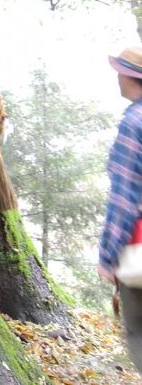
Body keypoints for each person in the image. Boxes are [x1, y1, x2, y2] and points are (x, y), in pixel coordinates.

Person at [98, 44, 142, 372]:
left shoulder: (133, 123)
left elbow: (125, 198)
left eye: (118, 74)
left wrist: (108, 257)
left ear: (129, 78)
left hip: (138, 249)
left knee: (138, 333)